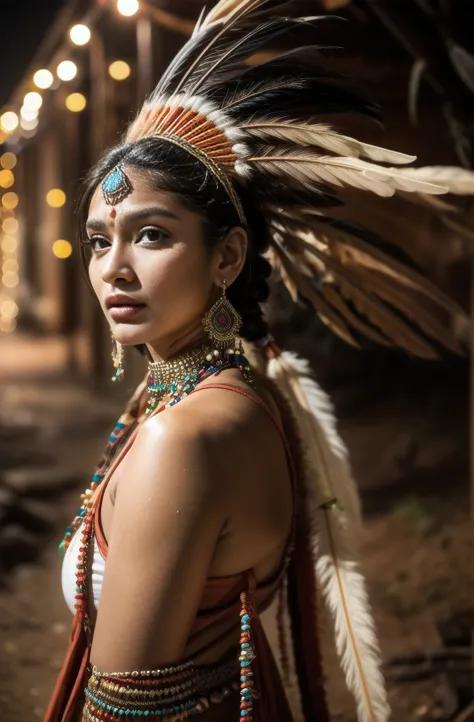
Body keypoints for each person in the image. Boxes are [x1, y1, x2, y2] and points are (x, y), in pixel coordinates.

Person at [46, 1, 466, 721]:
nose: (113, 268)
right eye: (97, 240)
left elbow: (119, 703)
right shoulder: (237, 389)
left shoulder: (182, 439)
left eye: (150, 234)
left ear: (228, 256)